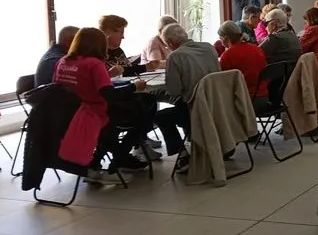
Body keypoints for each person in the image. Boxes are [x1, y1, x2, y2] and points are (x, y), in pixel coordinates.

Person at [53, 27, 149, 183]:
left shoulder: (62, 62)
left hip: (68, 114)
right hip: (94, 114)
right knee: (143, 116)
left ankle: (98, 163)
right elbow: (109, 94)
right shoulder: (94, 64)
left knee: (117, 125)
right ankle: (119, 160)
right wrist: (134, 87)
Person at [155, 23, 220, 170]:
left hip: (195, 110)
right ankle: (195, 139)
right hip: (217, 103)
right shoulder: (209, 48)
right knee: (181, 103)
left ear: (170, 43)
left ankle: (183, 155)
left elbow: (174, 91)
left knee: (161, 116)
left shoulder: (175, 57)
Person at [99, 14, 160, 155]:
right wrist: (110, 74)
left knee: (150, 100)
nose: (123, 37)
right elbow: (102, 79)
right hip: (109, 98)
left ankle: (139, 139)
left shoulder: (117, 51)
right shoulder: (97, 52)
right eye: (121, 32)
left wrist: (147, 67)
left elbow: (126, 71)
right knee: (143, 106)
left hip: (121, 91)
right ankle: (131, 146)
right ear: (109, 32)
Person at [217, 21, 268, 106]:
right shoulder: (257, 49)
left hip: (245, 101)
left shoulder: (227, 55)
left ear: (226, 38)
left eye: (220, 38)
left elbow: (223, 82)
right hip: (264, 96)